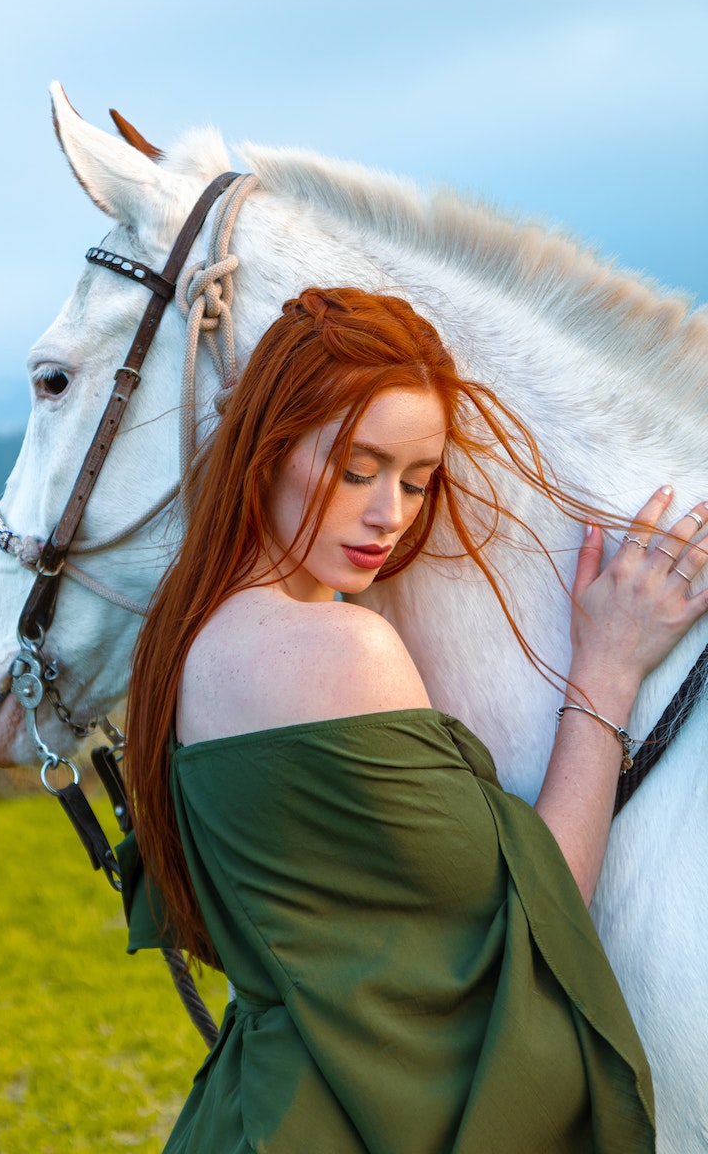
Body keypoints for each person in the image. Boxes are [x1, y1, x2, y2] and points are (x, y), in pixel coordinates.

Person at [119, 286, 708, 1153]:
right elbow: (533, 915)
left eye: (416, 479)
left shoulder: (187, 633)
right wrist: (608, 668)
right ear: (267, 448)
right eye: (356, 469)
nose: (389, 515)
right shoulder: (345, 651)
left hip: (258, 1108)